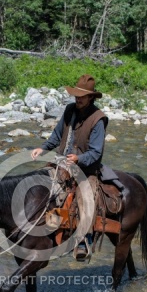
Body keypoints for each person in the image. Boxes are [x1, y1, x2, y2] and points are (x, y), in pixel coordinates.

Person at [31, 74, 108, 260]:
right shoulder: (69, 110)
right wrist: (43, 148)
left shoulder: (99, 119)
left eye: (82, 96)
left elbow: (96, 152)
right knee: (37, 182)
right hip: (62, 164)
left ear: (91, 97)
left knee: (85, 198)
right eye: (76, 95)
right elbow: (57, 136)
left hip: (85, 169)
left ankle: (83, 240)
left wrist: (79, 158)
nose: (78, 98)